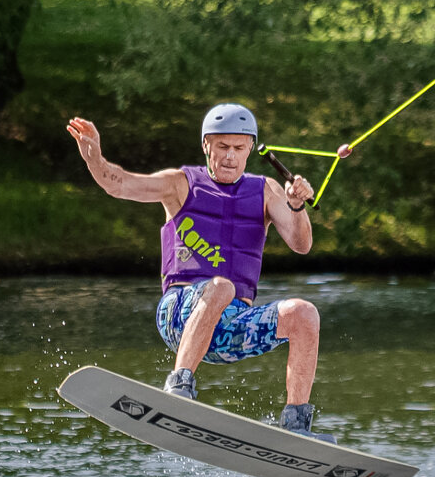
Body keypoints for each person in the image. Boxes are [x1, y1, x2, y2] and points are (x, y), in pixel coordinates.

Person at [66, 104, 332, 442]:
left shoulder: (266, 191)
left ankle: (296, 425)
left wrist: (296, 206)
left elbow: (301, 244)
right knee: (222, 287)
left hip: (232, 328)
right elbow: (121, 185)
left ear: (251, 148)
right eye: (222, 147)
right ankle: (179, 384)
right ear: (206, 144)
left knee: (304, 313)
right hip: (180, 312)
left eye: (238, 148)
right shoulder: (181, 184)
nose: (230, 157)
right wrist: (95, 160)